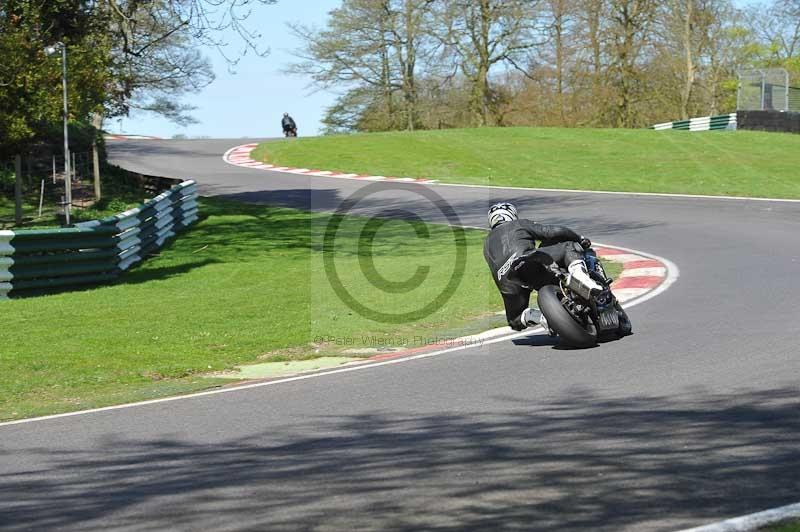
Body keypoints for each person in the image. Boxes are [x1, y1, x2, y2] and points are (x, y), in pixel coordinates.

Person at [483, 202, 607, 332]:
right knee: (568, 246)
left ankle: (543, 318)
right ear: (512, 214)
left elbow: (494, 269)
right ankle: (582, 279)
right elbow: (551, 231)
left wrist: (507, 291)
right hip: (528, 261)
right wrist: (579, 238)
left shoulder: (486, 245)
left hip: (508, 281)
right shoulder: (518, 224)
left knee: (515, 320)